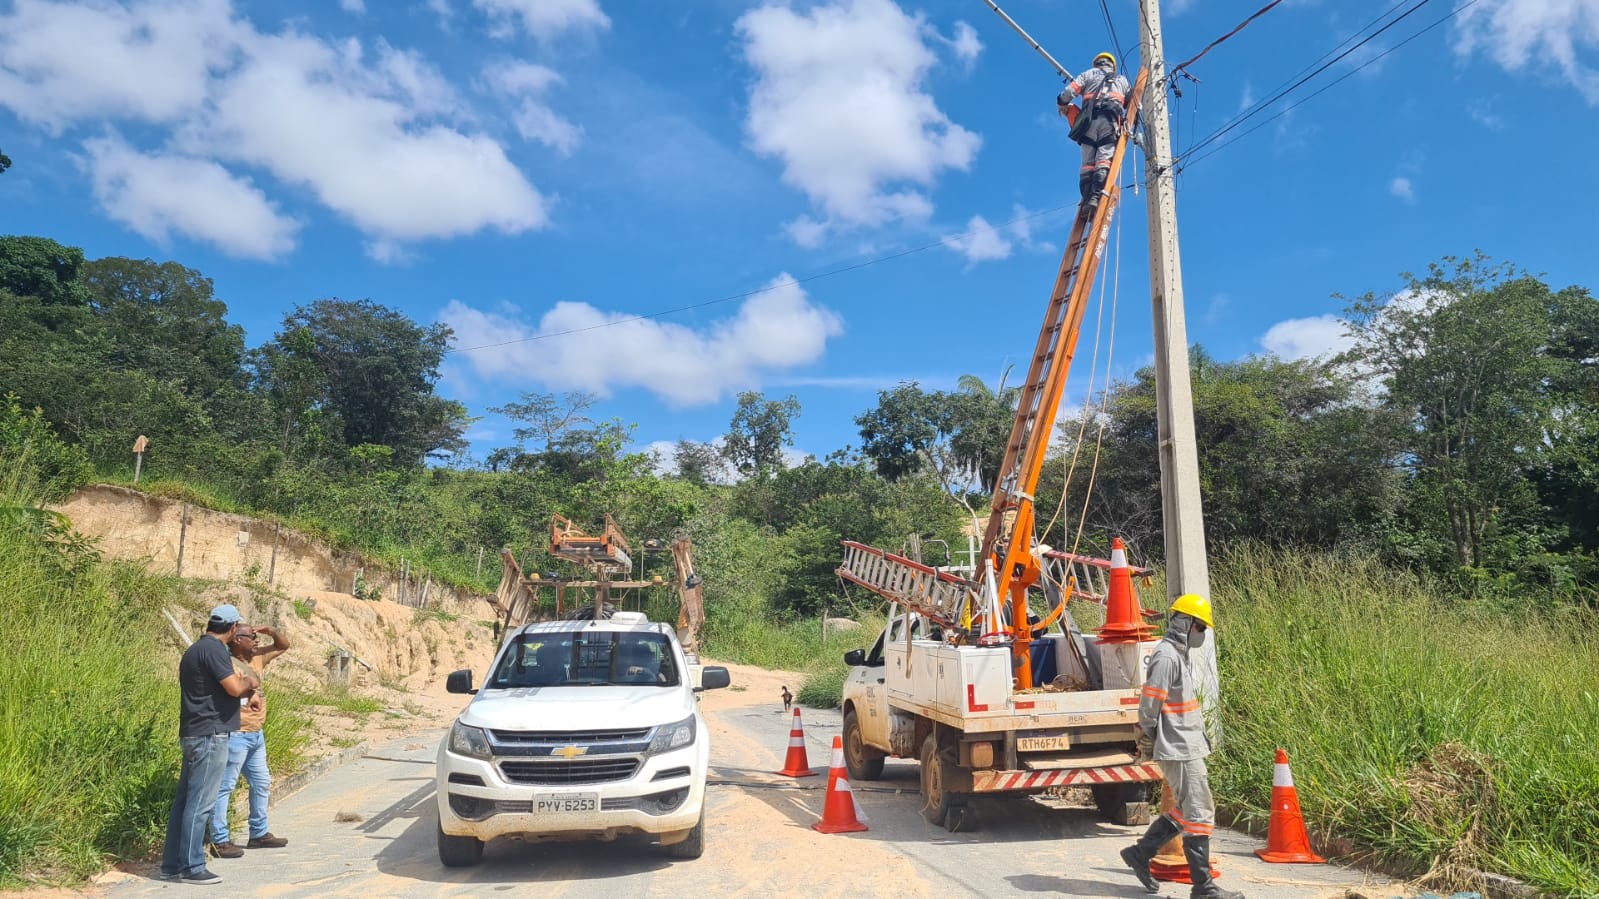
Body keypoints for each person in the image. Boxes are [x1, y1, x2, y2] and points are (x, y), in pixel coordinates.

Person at [1120, 594, 1243, 899]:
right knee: (1199, 814)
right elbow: (1149, 704)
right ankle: (1203, 887)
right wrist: (1148, 737)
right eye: (1200, 626)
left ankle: (1140, 853)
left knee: (1187, 810)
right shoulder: (1167, 657)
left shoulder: (1178, 654)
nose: (1202, 633)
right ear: (1185, 624)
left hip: (1186, 745)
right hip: (1179, 747)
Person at [160, 604, 259, 885]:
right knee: (201, 803)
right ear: (231, 628)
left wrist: (242, 697)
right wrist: (250, 682)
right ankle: (192, 866)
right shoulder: (215, 651)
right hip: (209, 736)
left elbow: (212, 694)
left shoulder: (195, 650)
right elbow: (234, 688)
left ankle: (172, 865)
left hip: (195, 732)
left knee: (184, 802)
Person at [209, 623, 291, 857]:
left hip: (256, 734)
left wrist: (272, 631)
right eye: (250, 637)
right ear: (236, 639)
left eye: (256, 637)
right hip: (236, 732)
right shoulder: (224, 664)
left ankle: (258, 833)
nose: (256, 641)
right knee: (226, 786)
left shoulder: (257, 659)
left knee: (262, 782)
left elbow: (283, 646)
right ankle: (219, 839)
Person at [1057, 51, 1132, 215]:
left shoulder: (1088, 74)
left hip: (1088, 123)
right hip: (1109, 123)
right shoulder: (1122, 80)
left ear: (1096, 63)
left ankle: (1086, 199)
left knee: (1087, 165)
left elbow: (1070, 92)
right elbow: (1131, 104)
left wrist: (1061, 102)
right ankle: (1095, 198)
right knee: (1103, 161)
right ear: (1112, 65)